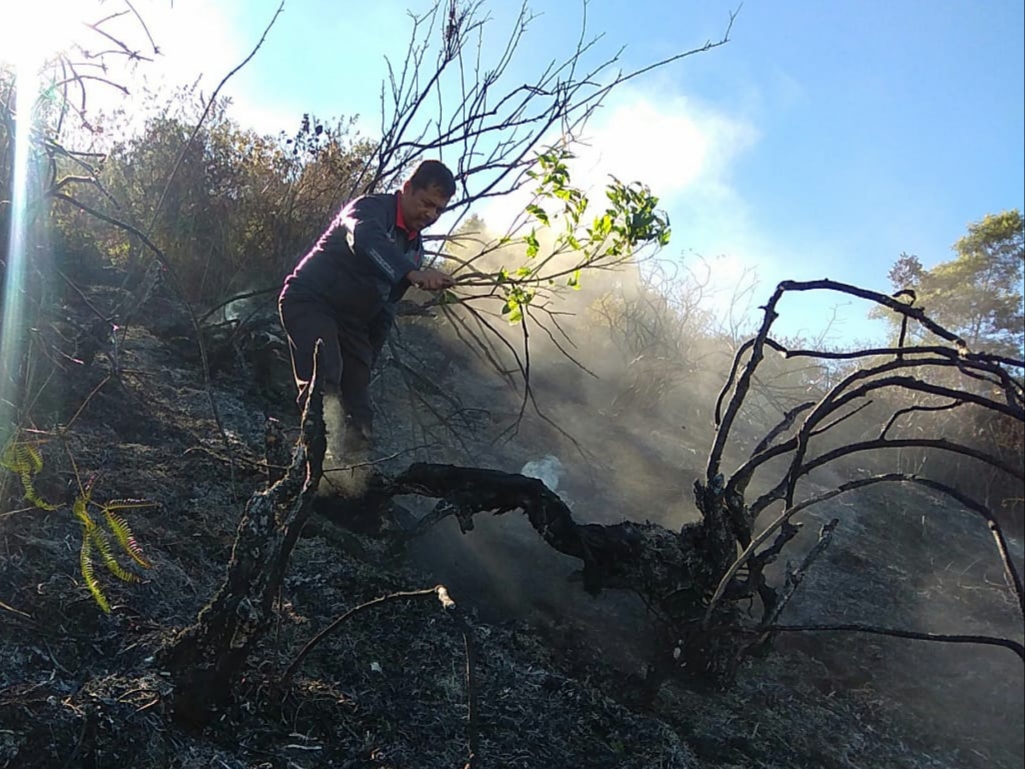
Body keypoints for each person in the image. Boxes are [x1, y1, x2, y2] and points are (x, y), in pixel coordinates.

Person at [279, 159, 456, 455]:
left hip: (353, 324)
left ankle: (352, 475)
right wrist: (410, 274)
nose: (431, 215)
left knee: (359, 409)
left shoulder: (414, 250)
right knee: (325, 383)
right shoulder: (369, 209)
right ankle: (312, 466)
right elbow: (363, 238)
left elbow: (385, 309)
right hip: (309, 300)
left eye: (439, 210)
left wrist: (366, 360)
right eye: (427, 203)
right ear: (407, 188)